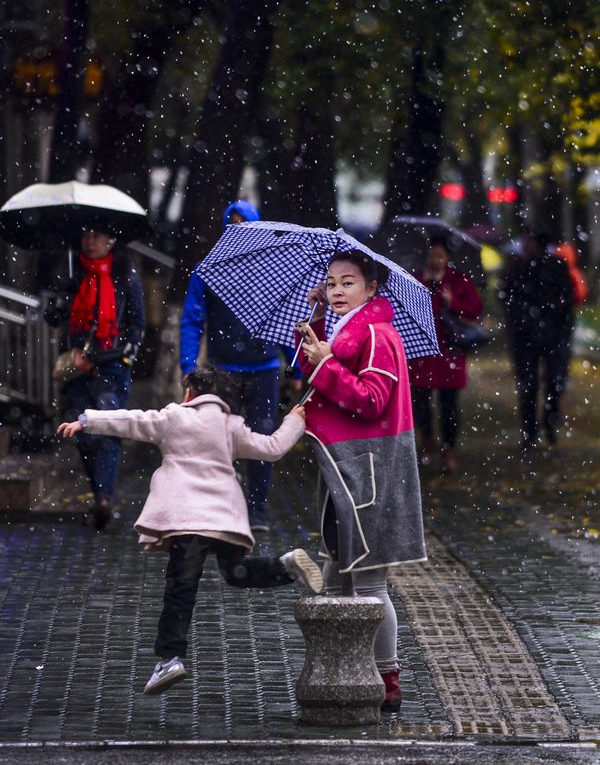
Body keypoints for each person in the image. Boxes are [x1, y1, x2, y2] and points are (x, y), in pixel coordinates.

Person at [56, 363, 322, 696]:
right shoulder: (232, 426)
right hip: (224, 519)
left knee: (181, 590)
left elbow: (131, 421)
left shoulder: (173, 418)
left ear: (189, 393)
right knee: (236, 572)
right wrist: (296, 420)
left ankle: (170, 658)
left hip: (187, 519)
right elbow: (271, 449)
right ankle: (285, 567)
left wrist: (86, 420)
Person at [296, 249, 426, 711]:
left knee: (369, 584)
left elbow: (371, 400)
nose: (336, 291)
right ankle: (342, 669)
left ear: (372, 288)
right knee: (336, 578)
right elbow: (314, 376)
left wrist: (326, 365)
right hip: (343, 469)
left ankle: (387, 677)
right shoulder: (345, 333)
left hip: (369, 470)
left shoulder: (379, 335)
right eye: (331, 283)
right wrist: (318, 343)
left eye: (348, 282)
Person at [180, 200, 302, 532]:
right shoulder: (209, 270)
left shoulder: (273, 272)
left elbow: (286, 321)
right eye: (232, 224)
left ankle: (257, 508)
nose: (238, 231)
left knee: (262, 438)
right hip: (222, 372)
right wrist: (188, 365)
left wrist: (296, 370)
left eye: (245, 224)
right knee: (218, 440)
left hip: (263, 370)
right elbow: (192, 320)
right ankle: (223, 504)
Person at [45, 228, 145, 528]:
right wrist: (61, 303)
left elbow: (136, 322)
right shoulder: (71, 271)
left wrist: (125, 351)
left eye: (96, 236)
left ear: (110, 241)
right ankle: (97, 492)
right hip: (78, 365)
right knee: (85, 434)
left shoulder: (124, 273)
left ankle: (103, 497)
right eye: (85, 236)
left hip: (113, 365)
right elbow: (51, 318)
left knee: (108, 428)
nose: (89, 241)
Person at [407, 237, 483, 475]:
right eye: (433, 254)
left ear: (448, 258)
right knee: (421, 403)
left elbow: (475, 309)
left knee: (449, 405)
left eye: (441, 255)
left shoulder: (458, 280)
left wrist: (453, 302)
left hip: (450, 351)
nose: (436, 259)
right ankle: (428, 440)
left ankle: (448, 450)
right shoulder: (415, 279)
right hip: (422, 351)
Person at [500, 229, 574, 452]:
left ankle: (546, 423)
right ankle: (531, 431)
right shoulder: (519, 267)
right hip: (527, 336)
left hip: (550, 334)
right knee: (529, 385)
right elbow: (508, 298)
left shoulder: (554, 266)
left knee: (551, 381)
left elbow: (567, 298)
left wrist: (553, 319)